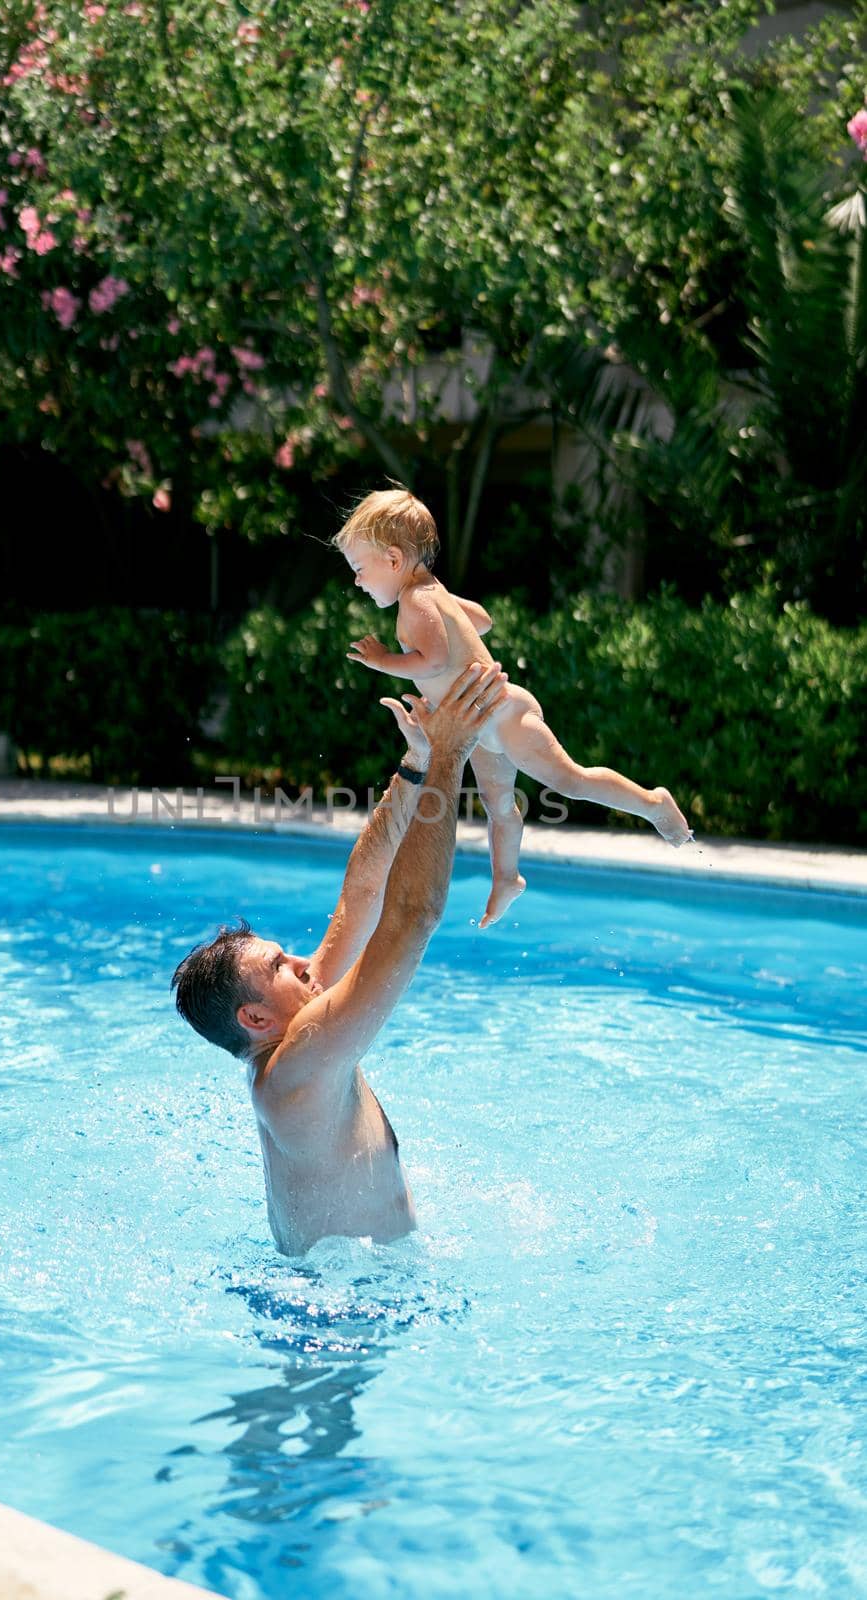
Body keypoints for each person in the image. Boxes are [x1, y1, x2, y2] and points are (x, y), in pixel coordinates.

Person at [172, 661, 510, 1257]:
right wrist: (452, 761)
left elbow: (361, 896)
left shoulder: (290, 1033)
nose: (305, 964)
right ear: (254, 1018)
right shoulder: (297, 1065)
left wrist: (416, 765)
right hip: (341, 1318)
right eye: (280, 966)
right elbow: (412, 919)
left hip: (344, 1285)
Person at [335, 486, 692, 928]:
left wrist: (383, 659)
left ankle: (653, 803)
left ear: (392, 560)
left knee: (569, 779)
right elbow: (482, 619)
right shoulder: (433, 593)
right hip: (486, 727)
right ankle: (507, 879)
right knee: (498, 803)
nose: (357, 581)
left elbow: (435, 659)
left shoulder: (416, 600)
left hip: (506, 716)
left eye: (359, 569)